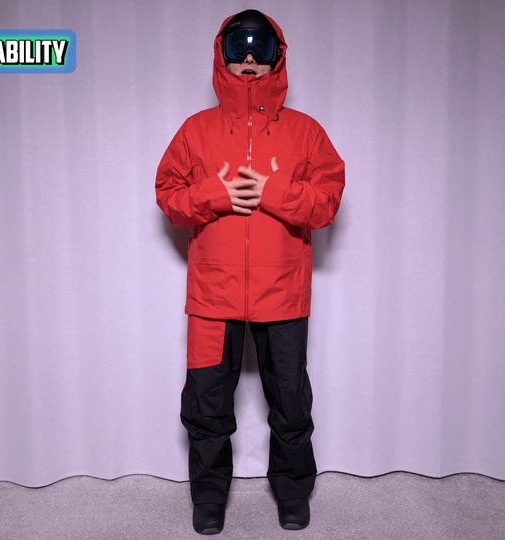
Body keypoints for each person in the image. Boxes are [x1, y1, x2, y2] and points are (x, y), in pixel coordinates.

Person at [155, 8, 345, 535]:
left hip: (282, 293)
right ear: (222, 54)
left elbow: (327, 203)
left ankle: (292, 492)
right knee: (206, 403)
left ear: (276, 57)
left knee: (290, 401)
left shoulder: (306, 133)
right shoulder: (195, 130)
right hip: (213, 296)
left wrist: (272, 191)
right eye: (238, 46)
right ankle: (209, 499)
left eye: (260, 48)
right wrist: (216, 195)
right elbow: (168, 197)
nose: (248, 58)